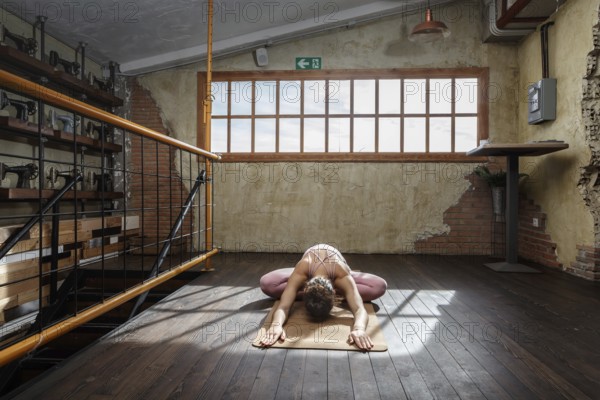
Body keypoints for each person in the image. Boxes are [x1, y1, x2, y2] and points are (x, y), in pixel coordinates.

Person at [259, 244, 387, 351]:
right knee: (267, 284)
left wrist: (359, 329)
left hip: (337, 268)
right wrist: (276, 325)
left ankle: (294, 290)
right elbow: (284, 306)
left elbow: (359, 309)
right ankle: (346, 292)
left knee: (379, 286)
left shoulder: (340, 273)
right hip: (308, 266)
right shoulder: (303, 268)